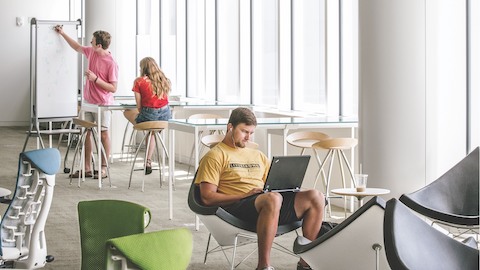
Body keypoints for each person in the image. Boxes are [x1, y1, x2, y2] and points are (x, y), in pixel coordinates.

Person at [195, 107, 325, 270]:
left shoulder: (258, 155)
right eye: (244, 131)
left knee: (316, 196)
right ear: (230, 127)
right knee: (273, 198)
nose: (248, 137)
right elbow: (207, 197)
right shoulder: (215, 156)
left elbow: (271, 185)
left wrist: (291, 189)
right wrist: (244, 195)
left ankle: (305, 263)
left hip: (265, 203)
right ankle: (263, 266)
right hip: (237, 207)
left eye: (251, 133)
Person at [54, 25, 118, 179]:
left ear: (99, 46)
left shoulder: (111, 63)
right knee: (86, 133)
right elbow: (76, 47)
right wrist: (62, 33)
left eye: (92, 41)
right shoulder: (91, 52)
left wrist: (95, 79)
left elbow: (113, 88)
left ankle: (103, 168)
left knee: (103, 134)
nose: (90, 42)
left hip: (103, 104)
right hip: (88, 102)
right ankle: (87, 168)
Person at [123, 57, 172, 174]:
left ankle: (146, 133)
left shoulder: (139, 81)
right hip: (165, 117)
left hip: (149, 117)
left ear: (143, 68)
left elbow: (139, 107)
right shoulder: (164, 80)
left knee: (126, 111)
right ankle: (148, 160)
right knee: (153, 133)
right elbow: (165, 101)